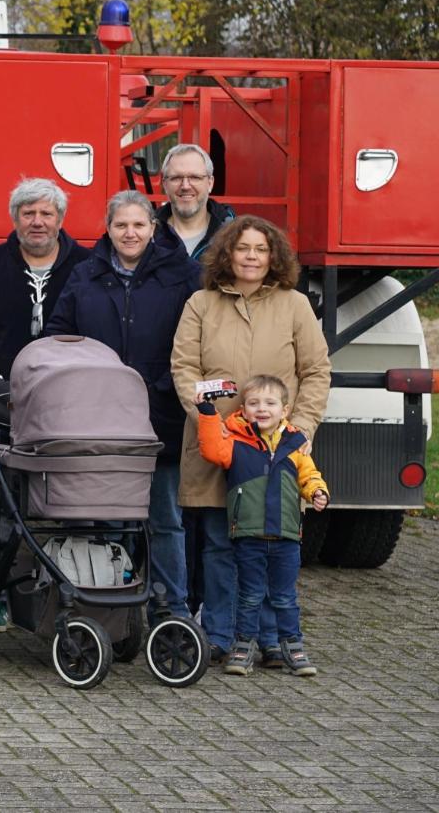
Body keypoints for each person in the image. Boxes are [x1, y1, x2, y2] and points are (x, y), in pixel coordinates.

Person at [170, 216, 331, 669]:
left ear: (273, 256)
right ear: (227, 254)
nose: (252, 257)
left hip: (275, 452)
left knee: (267, 546)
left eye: (261, 249)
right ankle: (220, 637)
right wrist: (207, 419)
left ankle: (270, 641)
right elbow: (184, 368)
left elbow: (316, 371)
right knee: (220, 547)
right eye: (243, 248)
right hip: (217, 445)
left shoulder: (295, 305)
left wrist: (298, 430)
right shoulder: (200, 304)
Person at [47, 190, 201, 614]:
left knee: (165, 519)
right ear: (108, 228)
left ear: (153, 227)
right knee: (108, 519)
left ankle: (172, 609)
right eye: (120, 225)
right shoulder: (85, 273)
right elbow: (59, 334)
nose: (129, 233)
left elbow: (196, 341)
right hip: (100, 421)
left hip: (161, 416)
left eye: (138, 224)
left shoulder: (183, 274)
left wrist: (163, 386)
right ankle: (113, 605)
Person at [194, 375, 329, 677]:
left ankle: (292, 646)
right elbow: (212, 449)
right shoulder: (236, 442)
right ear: (243, 409)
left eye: (270, 403)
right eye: (254, 403)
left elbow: (309, 476)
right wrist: (207, 413)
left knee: (284, 597)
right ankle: (243, 646)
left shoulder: (296, 445)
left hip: (286, 537)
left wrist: (318, 492)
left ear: (285, 410)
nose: (262, 409)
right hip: (248, 536)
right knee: (250, 595)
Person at [0, 177, 86, 376]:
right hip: (2, 387)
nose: (37, 222)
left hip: (69, 385)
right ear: (15, 219)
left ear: (60, 220)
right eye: (28, 214)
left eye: (46, 214)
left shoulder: (85, 265)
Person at [154, 144, 235, 260]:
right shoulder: (146, 235)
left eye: (195, 177)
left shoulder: (234, 235)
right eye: (176, 178)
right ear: (165, 184)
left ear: (210, 183)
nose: (185, 186)